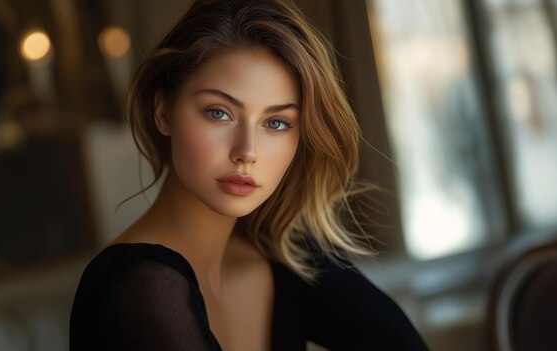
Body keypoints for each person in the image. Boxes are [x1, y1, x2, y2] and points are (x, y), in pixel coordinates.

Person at [70, 0, 429, 350]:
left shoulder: (285, 256)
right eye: (219, 113)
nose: (247, 151)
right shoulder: (138, 286)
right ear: (163, 110)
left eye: (276, 123)